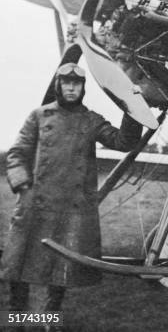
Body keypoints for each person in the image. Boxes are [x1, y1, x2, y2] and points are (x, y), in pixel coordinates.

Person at [1, 63, 142, 328]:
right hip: (34, 205)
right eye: (66, 82)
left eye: (76, 84)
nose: (70, 87)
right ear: (58, 85)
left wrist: (132, 107)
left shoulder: (91, 120)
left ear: (82, 88)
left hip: (70, 208)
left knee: (60, 271)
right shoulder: (39, 116)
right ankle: (17, 319)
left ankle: (48, 319)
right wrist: (23, 187)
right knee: (17, 268)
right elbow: (17, 154)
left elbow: (124, 142)